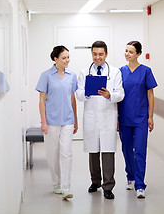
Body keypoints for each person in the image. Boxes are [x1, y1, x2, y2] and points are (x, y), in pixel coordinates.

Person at [76, 41, 124, 200]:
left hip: (108, 115)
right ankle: (95, 182)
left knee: (108, 152)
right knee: (93, 151)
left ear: (106, 54)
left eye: (101, 54)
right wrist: (87, 93)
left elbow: (121, 94)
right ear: (92, 54)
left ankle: (108, 186)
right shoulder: (84, 72)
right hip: (91, 116)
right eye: (95, 54)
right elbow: (79, 94)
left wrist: (109, 95)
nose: (97, 57)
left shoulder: (115, 72)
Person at [36, 45, 78, 200]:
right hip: (51, 121)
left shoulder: (71, 76)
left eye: (68, 57)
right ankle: (56, 184)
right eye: (64, 57)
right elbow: (41, 100)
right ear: (55, 59)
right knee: (52, 154)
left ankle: (66, 187)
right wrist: (44, 122)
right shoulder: (46, 76)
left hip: (67, 120)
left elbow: (72, 99)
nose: (67, 60)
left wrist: (75, 119)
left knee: (67, 153)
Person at [118, 41, 157, 199]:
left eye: (131, 52)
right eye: (126, 51)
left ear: (138, 54)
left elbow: (150, 94)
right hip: (124, 117)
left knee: (139, 151)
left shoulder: (146, 71)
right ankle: (130, 176)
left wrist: (151, 116)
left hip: (141, 118)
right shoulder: (120, 71)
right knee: (127, 150)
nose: (127, 54)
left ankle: (140, 185)